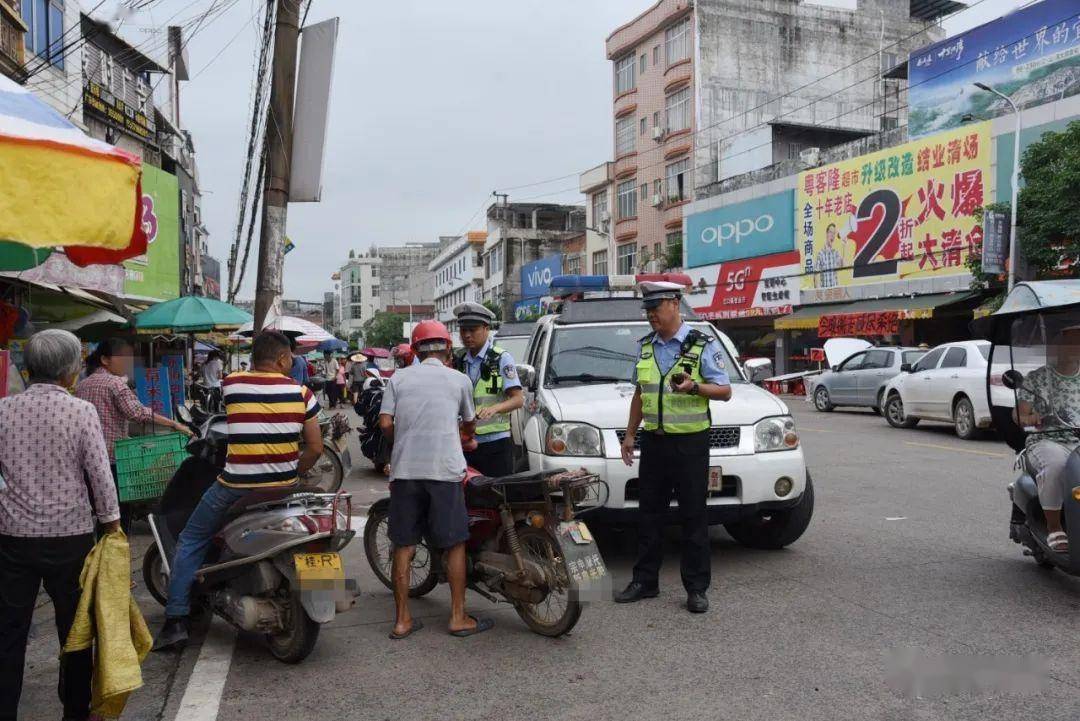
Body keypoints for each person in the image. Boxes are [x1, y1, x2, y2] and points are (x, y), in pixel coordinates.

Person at [153, 330, 324, 651]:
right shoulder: (301, 393)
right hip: (284, 487)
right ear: (283, 358)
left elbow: (216, 417)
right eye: (290, 359)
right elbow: (315, 447)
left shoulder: (231, 383)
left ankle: (175, 620)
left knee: (191, 539)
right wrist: (293, 471)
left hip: (236, 486)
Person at [0, 329, 121, 721]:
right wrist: (112, 526)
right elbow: (100, 475)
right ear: (71, 372)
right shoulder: (80, 410)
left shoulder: (3, 411)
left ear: (28, 367)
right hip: (70, 539)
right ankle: (75, 711)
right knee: (75, 631)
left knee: (9, 633)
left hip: (12, 539)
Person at [614, 281, 732, 614]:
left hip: (691, 442)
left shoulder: (701, 344)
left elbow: (725, 391)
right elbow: (640, 393)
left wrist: (695, 387)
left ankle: (696, 588)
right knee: (649, 514)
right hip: (654, 441)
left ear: (675, 304)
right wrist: (630, 435)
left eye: (656, 307)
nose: (651, 315)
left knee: (694, 515)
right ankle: (645, 581)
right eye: (647, 309)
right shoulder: (646, 347)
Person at [379, 320, 492, 639]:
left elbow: (386, 422)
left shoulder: (398, 378)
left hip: (406, 472)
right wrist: (465, 437)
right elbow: (469, 425)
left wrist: (401, 437)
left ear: (414, 350)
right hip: (444, 471)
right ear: (447, 350)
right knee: (454, 543)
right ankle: (457, 617)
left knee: (403, 544)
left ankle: (402, 620)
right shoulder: (458, 380)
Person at [76, 337, 192, 527]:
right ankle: (115, 552)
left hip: (86, 460)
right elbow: (138, 413)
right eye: (123, 357)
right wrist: (174, 424)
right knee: (116, 516)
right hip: (113, 460)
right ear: (105, 360)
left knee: (94, 511)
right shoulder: (115, 384)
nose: (128, 363)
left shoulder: (83, 385)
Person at [1015, 325, 1080, 553]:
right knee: (1056, 466)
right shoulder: (1038, 378)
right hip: (1048, 440)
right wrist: (1030, 417)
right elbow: (1020, 413)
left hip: (1078, 441)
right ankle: (1054, 528)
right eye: (1070, 342)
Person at [451, 302, 524, 477]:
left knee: (497, 498)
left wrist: (494, 409)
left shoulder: (501, 358)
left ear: (486, 328)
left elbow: (518, 399)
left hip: (496, 443)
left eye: (473, 330)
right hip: (465, 442)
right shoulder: (458, 360)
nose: (467, 335)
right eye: (463, 330)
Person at [814, 222, 844, 290]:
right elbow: (816, 274)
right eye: (831, 232)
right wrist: (818, 291)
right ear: (827, 234)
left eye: (834, 233)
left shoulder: (836, 253)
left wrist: (843, 246)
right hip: (825, 293)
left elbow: (842, 266)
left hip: (835, 291)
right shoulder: (820, 254)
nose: (832, 235)